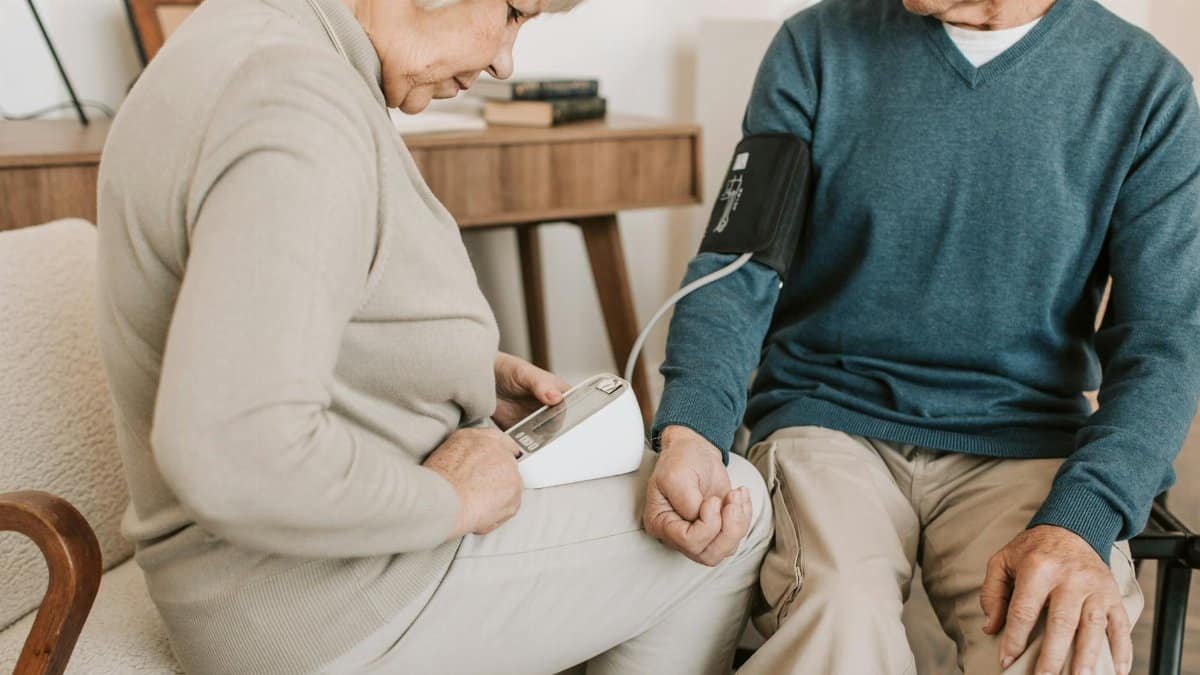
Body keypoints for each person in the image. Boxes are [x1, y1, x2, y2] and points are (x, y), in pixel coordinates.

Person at [95, 0, 771, 673]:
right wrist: (450, 501)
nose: (507, 62)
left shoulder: (249, 38)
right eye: (514, 13)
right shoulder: (297, 104)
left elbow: (269, 312)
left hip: (266, 586)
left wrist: (457, 370)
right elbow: (232, 450)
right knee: (729, 506)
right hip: (318, 604)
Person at [647, 0, 1200, 673]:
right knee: (836, 615)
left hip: (1025, 438)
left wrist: (1084, 516)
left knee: (1058, 641)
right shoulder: (817, 47)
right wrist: (692, 428)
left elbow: (1166, 342)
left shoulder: (1144, 89)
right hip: (830, 419)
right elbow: (738, 268)